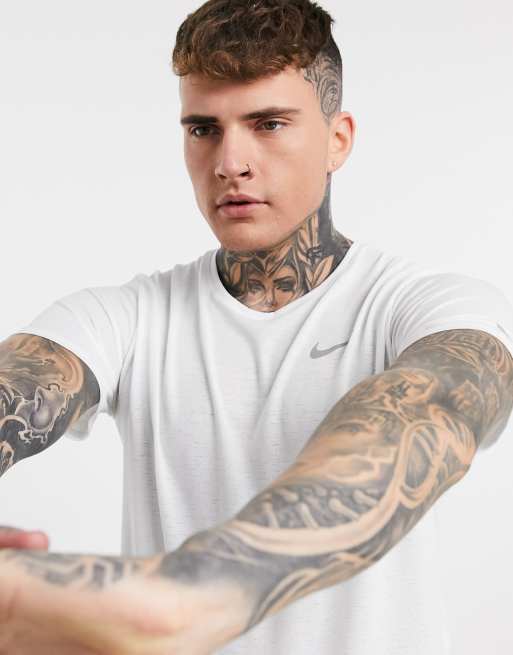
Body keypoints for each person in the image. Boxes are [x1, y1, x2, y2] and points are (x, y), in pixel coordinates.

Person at [1, 0, 513, 653]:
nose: (229, 162)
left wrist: (192, 592)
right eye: (203, 129)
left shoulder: (429, 306)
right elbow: (21, 382)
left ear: (338, 140)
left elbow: (424, 413)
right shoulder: (128, 317)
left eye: (268, 124)